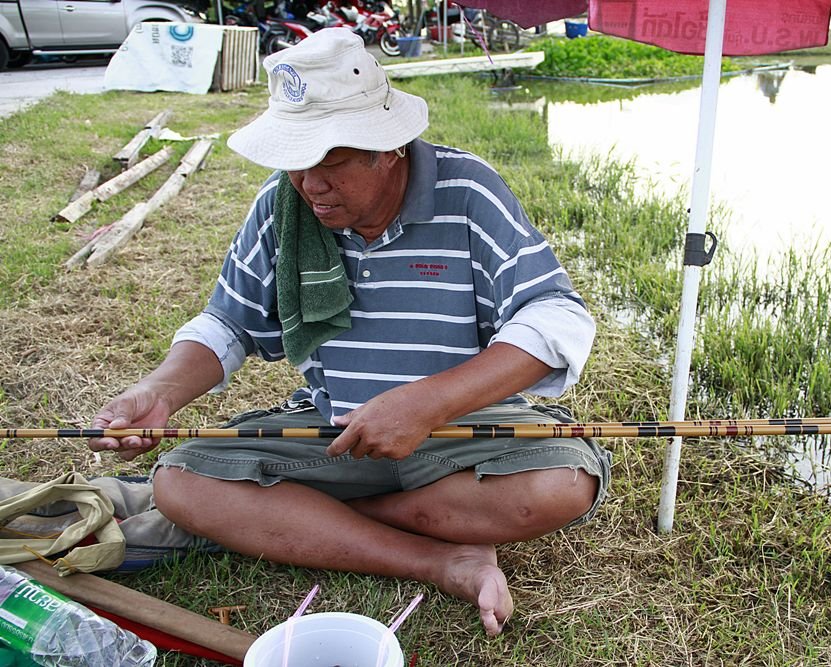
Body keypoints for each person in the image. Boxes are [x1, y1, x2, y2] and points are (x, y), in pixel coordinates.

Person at [87, 28, 611, 637]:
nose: (310, 186)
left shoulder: (465, 191)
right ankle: (441, 556)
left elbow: (555, 315)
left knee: (562, 483)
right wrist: (163, 391)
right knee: (182, 487)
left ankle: (309, 521)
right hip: (331, 430)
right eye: (295, 165)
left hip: (463, 427)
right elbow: (228, 323)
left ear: (385, 148)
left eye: (330, 164)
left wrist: (427, 402)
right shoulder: (284, 206)